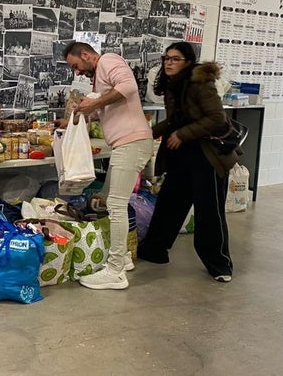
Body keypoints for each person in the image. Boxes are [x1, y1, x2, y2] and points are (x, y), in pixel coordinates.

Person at [138, 41, 236, 283]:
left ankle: (220, 265)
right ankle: (154, 250)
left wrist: (182, 135)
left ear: (188, 62)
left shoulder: (199, 82)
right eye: (166, 58)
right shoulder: (175, 84)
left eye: (175, 59)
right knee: (170, 203)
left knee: (209, 212)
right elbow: (176, 120)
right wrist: (144, 132)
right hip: (183, 155)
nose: (168, 63)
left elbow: (217, 118)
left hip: (207, 156)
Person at [60, 41, 154, 290]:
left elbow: (129, 87)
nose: (76, 72)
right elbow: (101, 108)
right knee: (106, 198)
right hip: (124, 143)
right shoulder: (98, 77)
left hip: (132, 141)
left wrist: (96, 103)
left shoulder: (109, 60)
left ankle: (115, 271)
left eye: (76, 65)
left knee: (115, 204)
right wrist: (72, 118)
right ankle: (123, 258)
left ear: (86, 54)